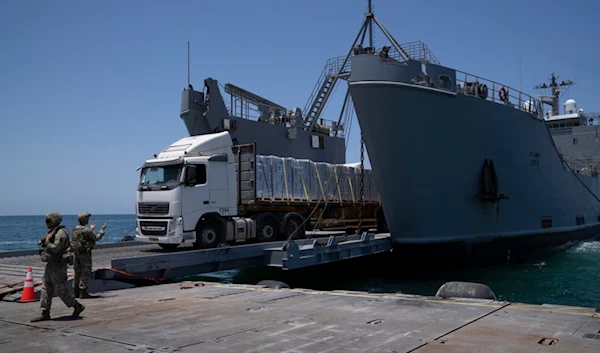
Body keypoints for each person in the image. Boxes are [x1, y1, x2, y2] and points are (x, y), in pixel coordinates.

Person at [31, 212, 85, 322]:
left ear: (54, 221)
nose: (47, 223)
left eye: (49, 221)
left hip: (58, 266)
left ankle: (76, 305)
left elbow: (56, 248)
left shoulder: (61, 234)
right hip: (51, 265)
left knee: (60, 290)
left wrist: (46, 243)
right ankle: (45, 312)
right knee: (46, 288)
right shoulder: (52, 232)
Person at [71, 212, 106, 298]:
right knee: (86, 272)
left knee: (77, 272)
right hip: (85, 254)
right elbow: (96, 238)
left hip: (76, 253)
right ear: (85, 220)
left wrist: (91, 228)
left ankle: (75, 292)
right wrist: (102, 231)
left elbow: (82, 237)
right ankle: (83, 292)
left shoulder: (75, 228)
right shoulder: (86, 230)